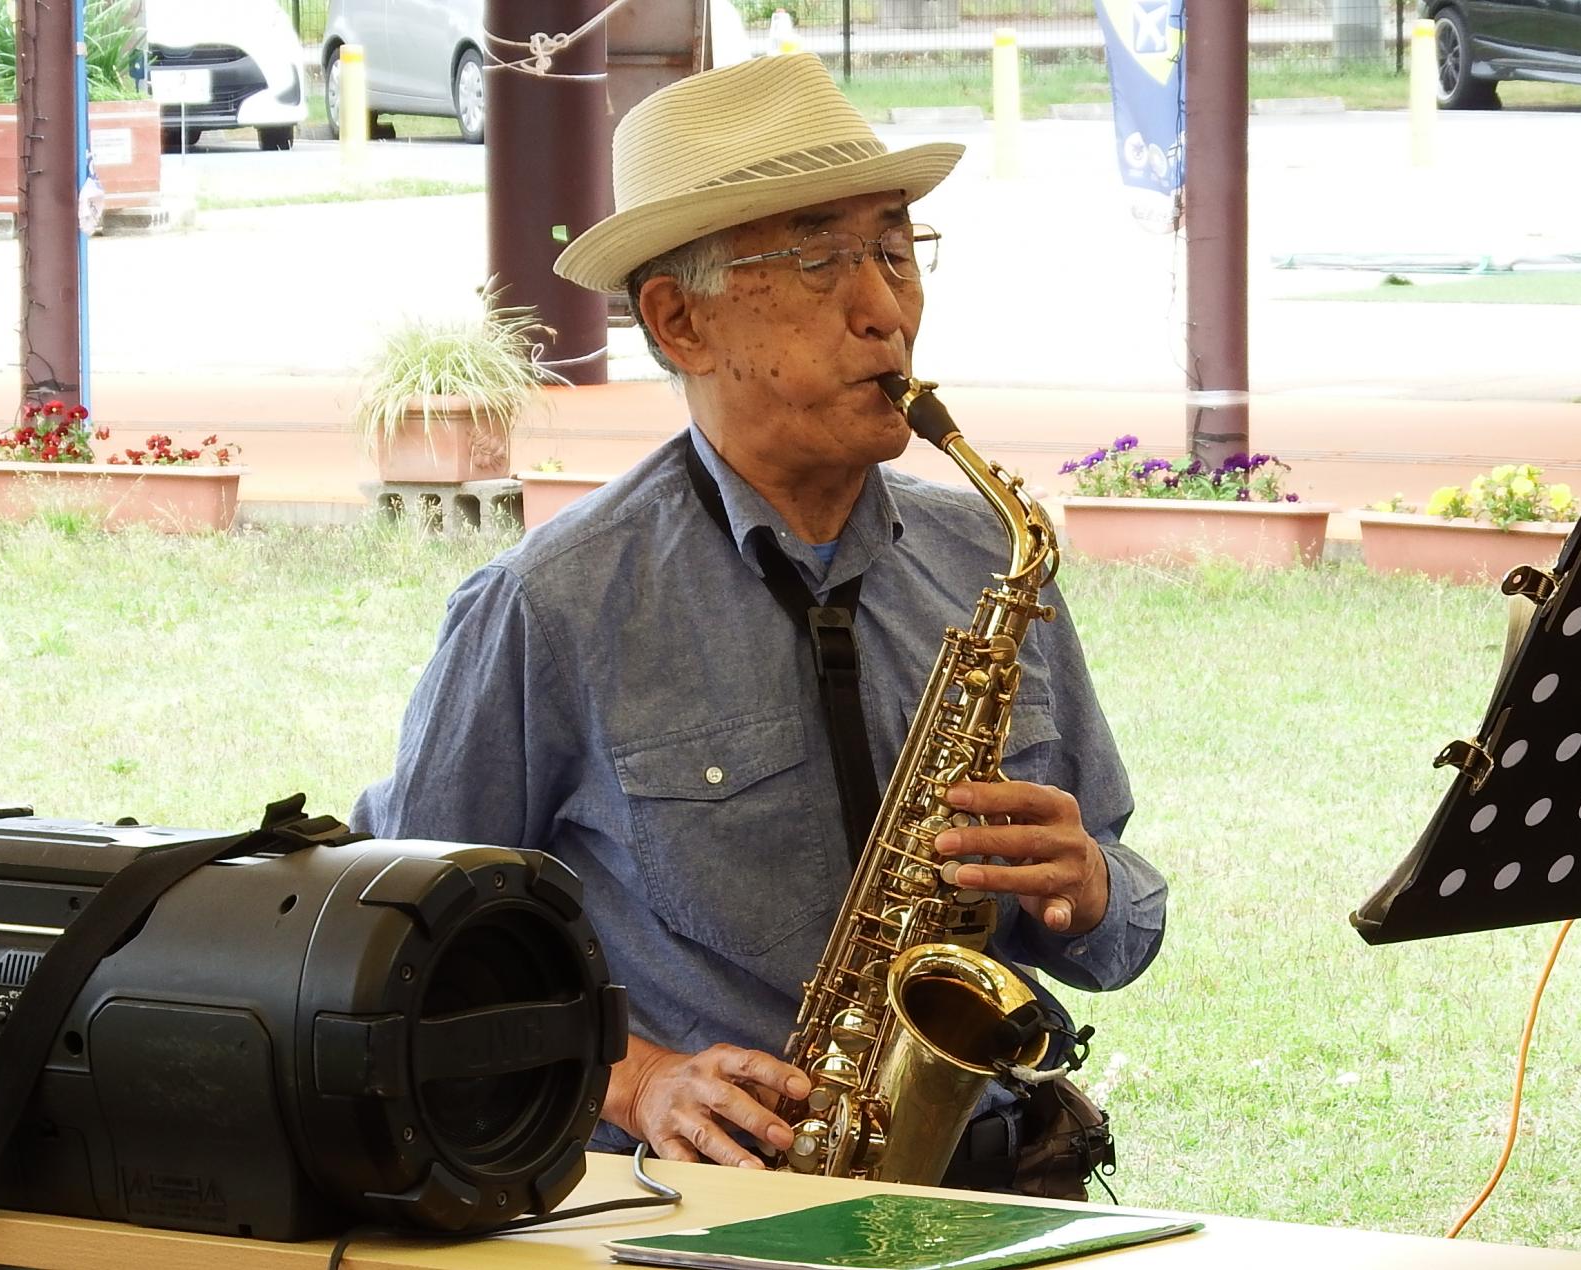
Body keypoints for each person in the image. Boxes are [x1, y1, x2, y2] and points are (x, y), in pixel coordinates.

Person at [350, 53, 1165, 1198]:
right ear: (680, 319)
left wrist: (1083, 880)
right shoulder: (549, 605)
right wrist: (634, 1083)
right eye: (821, 258)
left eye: (893, 248)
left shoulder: (992, 558)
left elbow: (1119, 925)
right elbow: (397, 960)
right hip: (718, 1204)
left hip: (996, 1182)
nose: (885, 311)